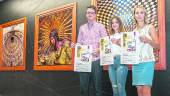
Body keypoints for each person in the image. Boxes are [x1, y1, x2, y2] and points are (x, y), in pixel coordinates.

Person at [77, 5, 107, 96]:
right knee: (83, 86)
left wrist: (99, 49)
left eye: (92, 13)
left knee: (97, 87)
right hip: (84, 60)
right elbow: (79, 43)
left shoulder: (100, 26)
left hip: (96, 60)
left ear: (95, 14)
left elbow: (106, 42)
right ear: (86, 14)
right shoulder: (82, 28)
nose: (90, 14)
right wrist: (76, 46)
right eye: (88, 12)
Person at [132, 5, 159, 96]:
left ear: (145, 14)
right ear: (134, 15)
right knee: (139, 91)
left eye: (141, 12)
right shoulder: (133, 31)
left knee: (146, 91)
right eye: (137, 13)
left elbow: (157, 46)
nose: (139, 15)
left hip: (147, 62)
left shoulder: (150, 27)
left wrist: (147, 40)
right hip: (136, 63)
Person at [108, 16, 128, 96]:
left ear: (119, 23)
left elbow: (128, 48)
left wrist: (117, 42)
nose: (114, 24)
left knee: (120, 88)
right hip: (111, 63)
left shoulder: (124, 35)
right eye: (112, 23)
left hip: (120, 62)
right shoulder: (108, 37)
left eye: (116, 22)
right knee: (115, 89)